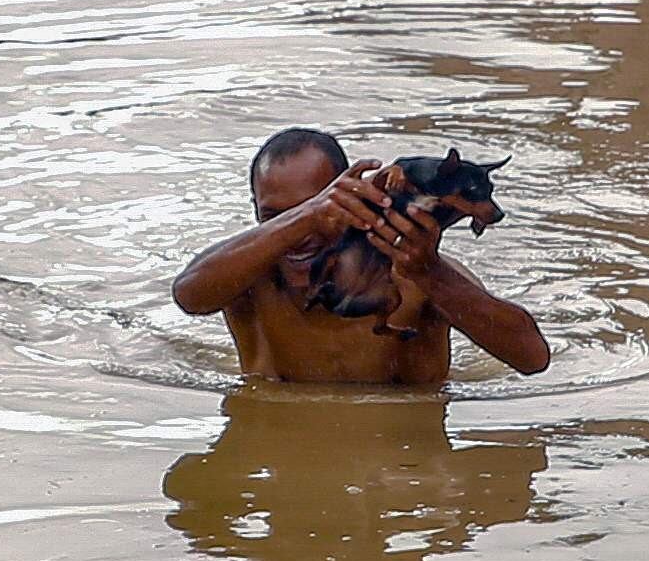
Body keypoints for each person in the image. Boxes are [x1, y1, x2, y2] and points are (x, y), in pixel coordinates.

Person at [173, 126, 550, 384]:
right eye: (276, 216)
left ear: (357, 199)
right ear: (257, 213)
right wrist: (307, 217)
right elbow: (188, 296)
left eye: (320, 209)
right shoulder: (245, 271)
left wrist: (431, 274)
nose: (301, 239)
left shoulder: (413, 273)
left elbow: (532, 358)